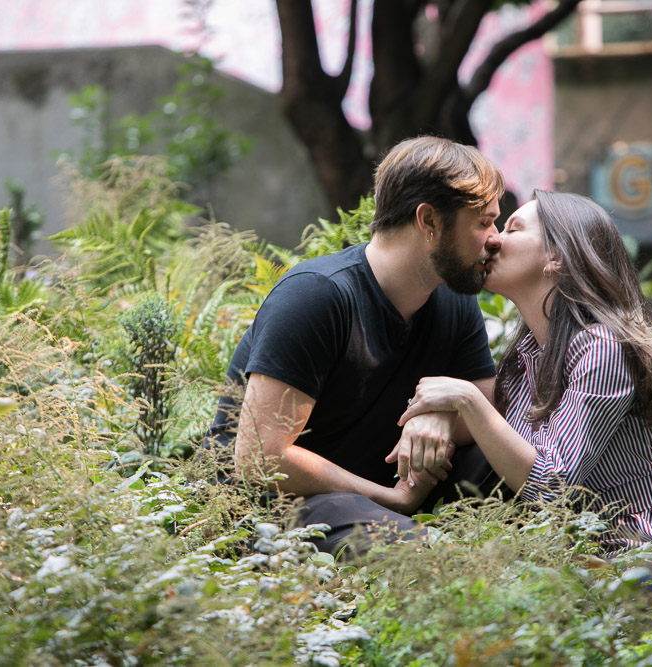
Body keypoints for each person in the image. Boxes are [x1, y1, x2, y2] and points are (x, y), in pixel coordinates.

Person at [397, 190, 652, 599]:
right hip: (597, 567)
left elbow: (552, 487)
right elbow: (486, 439)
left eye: (513, 228)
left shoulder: (603, 346)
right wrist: (432, 414)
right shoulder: (531, 353)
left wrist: (467, 399)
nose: (492, 239)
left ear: (556, 258)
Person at [203, 136, 506, 554]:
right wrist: (390, 501)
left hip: (378, 490)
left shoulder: (453, 297)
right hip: (280, 504)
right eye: (482, 222)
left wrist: (437, 418)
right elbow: (262, 458)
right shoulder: (316, 296)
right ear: (429, 221)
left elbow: (483, 408)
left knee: (503, 464)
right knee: (415, 550)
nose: (496, 238)